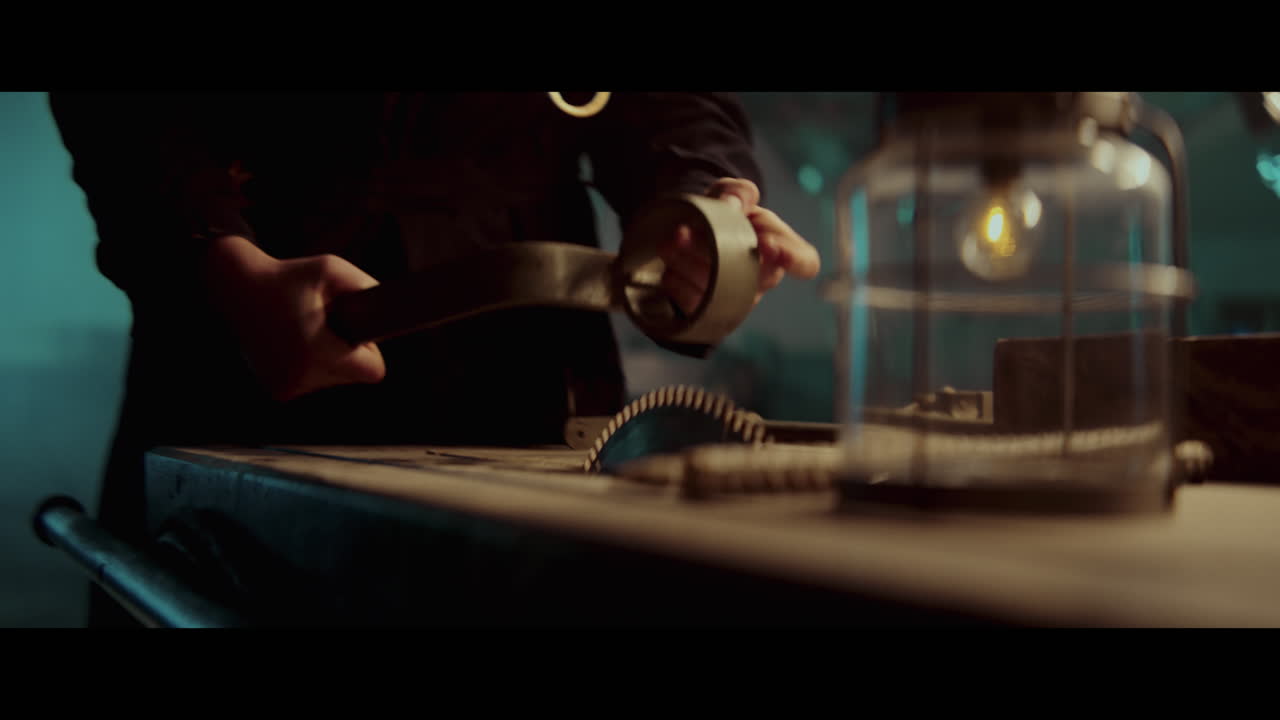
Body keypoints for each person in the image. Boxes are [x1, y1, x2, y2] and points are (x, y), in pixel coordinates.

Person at [49, 91, 820, 626]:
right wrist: (215, 255)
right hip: (245, 353)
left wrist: (703, 204)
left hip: (530, 382)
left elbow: (672, 106)